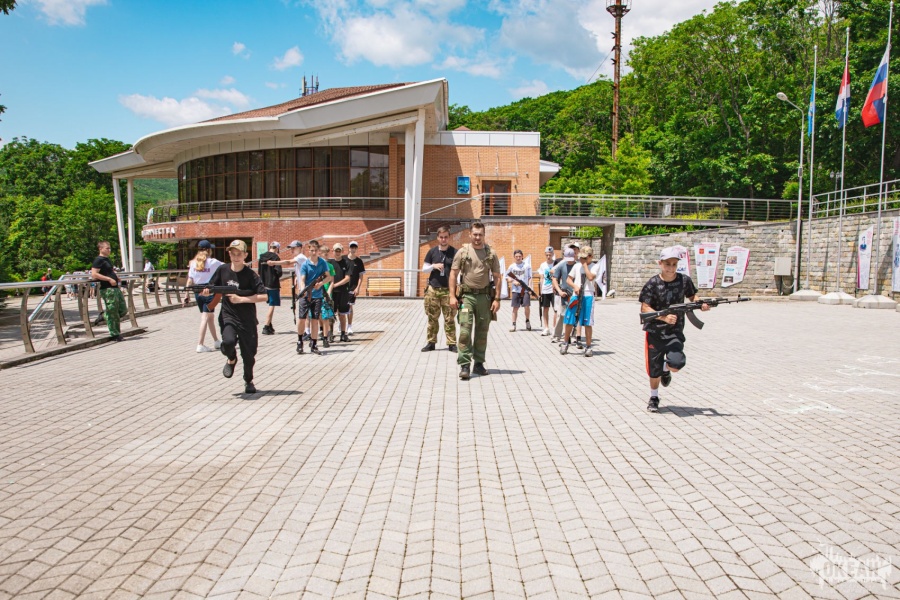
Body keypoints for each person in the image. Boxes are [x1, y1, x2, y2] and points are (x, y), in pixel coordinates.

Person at [640, 247, 709, 413]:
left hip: (675, 331)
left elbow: (692, 296)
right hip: (655, 332)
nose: (671, 268)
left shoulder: (684, 281)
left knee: (677, 363)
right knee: (654, 369)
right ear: (660, 263)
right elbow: (645, 308)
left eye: (674, 264)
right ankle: (654, 397)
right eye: (667, 264)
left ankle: (666, 369)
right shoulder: (652, 284)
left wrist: (701, 304)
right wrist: (663, 317)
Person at [206, 240, 268, 394]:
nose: (235, 257)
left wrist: (241, 299)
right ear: (229, 254)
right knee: (228, 342)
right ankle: (232, 359)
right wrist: (207, 291)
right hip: (228, 316)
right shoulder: (222, 270)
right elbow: (211, 286)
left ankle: (248, 380)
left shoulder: (251, 275)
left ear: (245, 255)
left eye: (239, 254)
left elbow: (264, 296)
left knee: (249, 355)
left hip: (247, 319)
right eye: (233, 254)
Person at [449, 220, 501, 380]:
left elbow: (497, 277)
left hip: (484, 298)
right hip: (466, 298)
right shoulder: (462, 252)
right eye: (475, 234)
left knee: (482, 332)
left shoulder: (491, 253)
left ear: (484, 235)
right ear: (470, 234)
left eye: (480, 235)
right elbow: (453, 274)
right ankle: (465, 365)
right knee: (465, 331)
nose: (478, 238)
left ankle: (478, 364)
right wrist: (452, 296)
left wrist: (497, 299)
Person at [421, 226, 457, 352]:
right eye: (441, 237)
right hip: (433, 289)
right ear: (437, 238)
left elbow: (459, 271)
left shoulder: (455, 252)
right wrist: (433, 266)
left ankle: (452, 343)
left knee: (449, 318)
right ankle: (431, 343)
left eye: (446, 237)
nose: (443, 239)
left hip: (448, 290)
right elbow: (424, 269)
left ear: (449, 237)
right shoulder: (432, 252)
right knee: (432, 318)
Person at [183, 247, 224, 352]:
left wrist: (186, 294)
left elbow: (190, 280)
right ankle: (200, 344)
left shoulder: (193, 263)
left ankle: (216, 340)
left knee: (210, 316)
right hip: (208, 290)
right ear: (209, 250)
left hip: (197, 291)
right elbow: (226, 266)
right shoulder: (213, 262)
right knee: (205, 317)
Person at [296, 240, 333, 355]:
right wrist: (303, 290)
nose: (313, 252)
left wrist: (321, 284)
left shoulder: (322, 263)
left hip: (317, 296)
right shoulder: (305, 264)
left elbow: (329, 277)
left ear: (318, 251)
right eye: (311, 250)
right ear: (308, 250)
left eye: (315, 250)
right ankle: (300, 341)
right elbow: (302, 279)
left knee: (315, 320)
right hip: (306, 295)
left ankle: (314, 344)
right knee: (302, 318)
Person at [560, 246, 598, 357]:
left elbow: (590, 277)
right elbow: (568, 279)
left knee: (587, 322)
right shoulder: (576, 266)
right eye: (581, 257)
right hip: (576, 296)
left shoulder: (594, 266)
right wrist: (575, 286)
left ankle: (588, 346)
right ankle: (565, 342)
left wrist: (585, 265)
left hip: (588, 295)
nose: (582, 260)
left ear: (590, 256)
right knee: (569, 319)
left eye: (584, 258)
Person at [91, 241, 128, 341]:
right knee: (113, 311)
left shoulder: (107, 259)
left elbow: (109, 271)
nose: (109, 250)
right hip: (107, 289)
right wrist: (109, 279)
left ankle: (104, 315)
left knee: (123, 310)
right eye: (107, 248)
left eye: (109, 248)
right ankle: (115, 334)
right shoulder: (98, 260)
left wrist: (116, 277)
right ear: (100, 249)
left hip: (115, 288)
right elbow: (94, 274)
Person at [258, 242, 285, 335]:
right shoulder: (275, 257)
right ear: (277, 248)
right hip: (272, 284)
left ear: (270, 247)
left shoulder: (261, 256)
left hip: (263, 283)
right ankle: (266, 326)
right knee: (272, 305)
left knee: (270, 303)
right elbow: (279, 272)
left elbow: (259, 271)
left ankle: (269, 325)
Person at [551, 247, 577, 342]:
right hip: (564, 294)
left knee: (575, 315)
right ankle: (557, 335)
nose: (569, 261)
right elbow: (554, 278)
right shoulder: (561, 265)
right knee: (561, 315)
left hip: (575, 294)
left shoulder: (577, 266)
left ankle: (573, 336)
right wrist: (559, 291)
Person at [329, 243, 352, 343]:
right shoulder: (329, 263)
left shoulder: (346, 263)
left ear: (342, 251)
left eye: (339, 250)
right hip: (332, 293)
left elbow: (347, 278)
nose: (337, 252)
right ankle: (330, 334)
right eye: (336, 250)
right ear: (332, 251)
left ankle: (343, 334)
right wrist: (331, 287)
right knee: (330, 314)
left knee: (342, 314)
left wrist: (335, 285)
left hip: (343, 292)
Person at [506, 249, 532, 332]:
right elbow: (507, 278)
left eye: (519, 256)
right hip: (515, 290)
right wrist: (514, 281)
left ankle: (527, 321)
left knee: (526, 306)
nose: (518, 258)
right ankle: (513, 324)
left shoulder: (527, 266)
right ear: (514, 257)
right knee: (515, 308)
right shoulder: (512, 266)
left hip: (525, 290)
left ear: (522, 256)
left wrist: (530, 287)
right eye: (516, 256)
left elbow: (530, 277)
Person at [345, 241, 366, 334]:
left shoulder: (359, 261)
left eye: (354, 247)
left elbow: (361, 276)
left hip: (352, 287)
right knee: (340, 307)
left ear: (356, 249)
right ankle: (341, 324)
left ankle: (349, 326)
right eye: (351, 247)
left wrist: (358, 287)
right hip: (343, 287)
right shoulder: (344, 259)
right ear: (349, 248)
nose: (353, 249)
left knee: (349, 306)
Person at [536, 247, 557, 336]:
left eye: (550, 255)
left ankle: (555, 328)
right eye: (547, 255)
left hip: (554, 290)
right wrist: (540, 291)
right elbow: (541, 278)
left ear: (552, 254)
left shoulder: (556, 264)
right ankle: (546, 328)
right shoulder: (543, 265)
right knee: (545, 308)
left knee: (556, 309)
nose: (548, 256)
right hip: (545, 289)